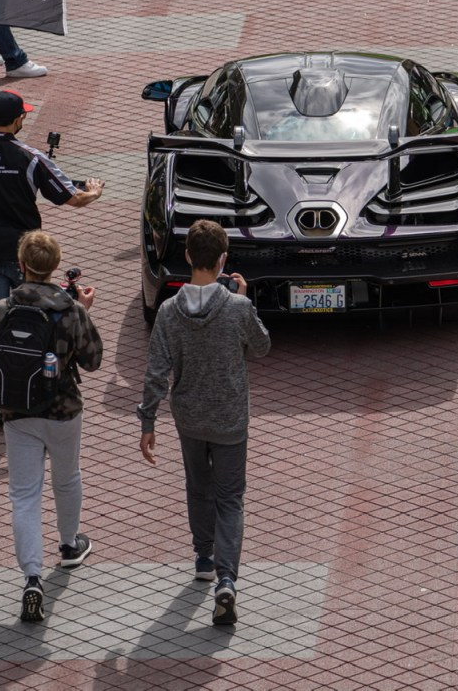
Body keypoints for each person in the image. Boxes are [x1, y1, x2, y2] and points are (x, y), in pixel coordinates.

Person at [0, 89, 105, 424]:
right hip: (23, 258)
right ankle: (35, 393)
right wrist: (94, 192)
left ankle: (1, 400)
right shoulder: (29, 157)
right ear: (18, 119)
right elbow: (72, 198)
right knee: (34, 323)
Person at [138, 219, 270, 625]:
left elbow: (156, 371)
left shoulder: (168, 311)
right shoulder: (237, 308)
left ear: (188, 255)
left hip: (189, 418)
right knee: (230, 498)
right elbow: (262, 345)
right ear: (223, 259)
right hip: (230, 418)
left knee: (198, 488)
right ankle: (227, 580)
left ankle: (203, 557)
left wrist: (147, 421)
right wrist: (245, 300)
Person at [0, 229, 103, 623]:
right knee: (67, 478)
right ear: (55, 266)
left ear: (21, 265)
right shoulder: (69, 309)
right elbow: (93, 360)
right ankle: (70, 545)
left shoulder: (2, 308)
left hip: (17, 410)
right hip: (62, 409)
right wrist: (84, 309)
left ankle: (32, 578)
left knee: (24, 495)